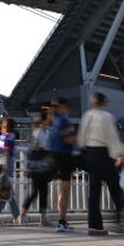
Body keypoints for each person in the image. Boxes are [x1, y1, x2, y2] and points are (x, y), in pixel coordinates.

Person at [78, 92, 124, 236]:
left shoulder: (87, 116)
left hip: (90, 154)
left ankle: (95, 225)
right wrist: (120, 155)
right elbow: (112, 138)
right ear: (104, 102)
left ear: (93, 102)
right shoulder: (108, 117)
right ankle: (118, 219)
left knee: (94, 191)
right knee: (115, 187)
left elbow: (81, 139)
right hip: (104, 154)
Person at [18, 108, 54, 226]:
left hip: (43, 166)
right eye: (49, 117)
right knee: (35, 192)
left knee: (43, 192)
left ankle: (42, 218)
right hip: (36, 167)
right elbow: (45, 147)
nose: (51, 119)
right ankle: (22, 214)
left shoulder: (47, 131)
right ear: (44, 120)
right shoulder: (38, 132)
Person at [48, 96, 77, 233]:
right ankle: (62, 221)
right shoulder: (64, 120)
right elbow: (68, 139)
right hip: (64, 157)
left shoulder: (54, 121)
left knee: (62, 190)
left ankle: (62, 220)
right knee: (65, 191)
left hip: (55, 157)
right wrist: (82, 139)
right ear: (63, 107)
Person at [0, 118, 20, 223]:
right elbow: (7, 151)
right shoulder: (10, 136)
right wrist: (6, 166)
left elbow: (0, 150)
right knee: (6, 191)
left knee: (7, 191)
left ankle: (16, 216)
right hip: (7, 164)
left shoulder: (1, 136)